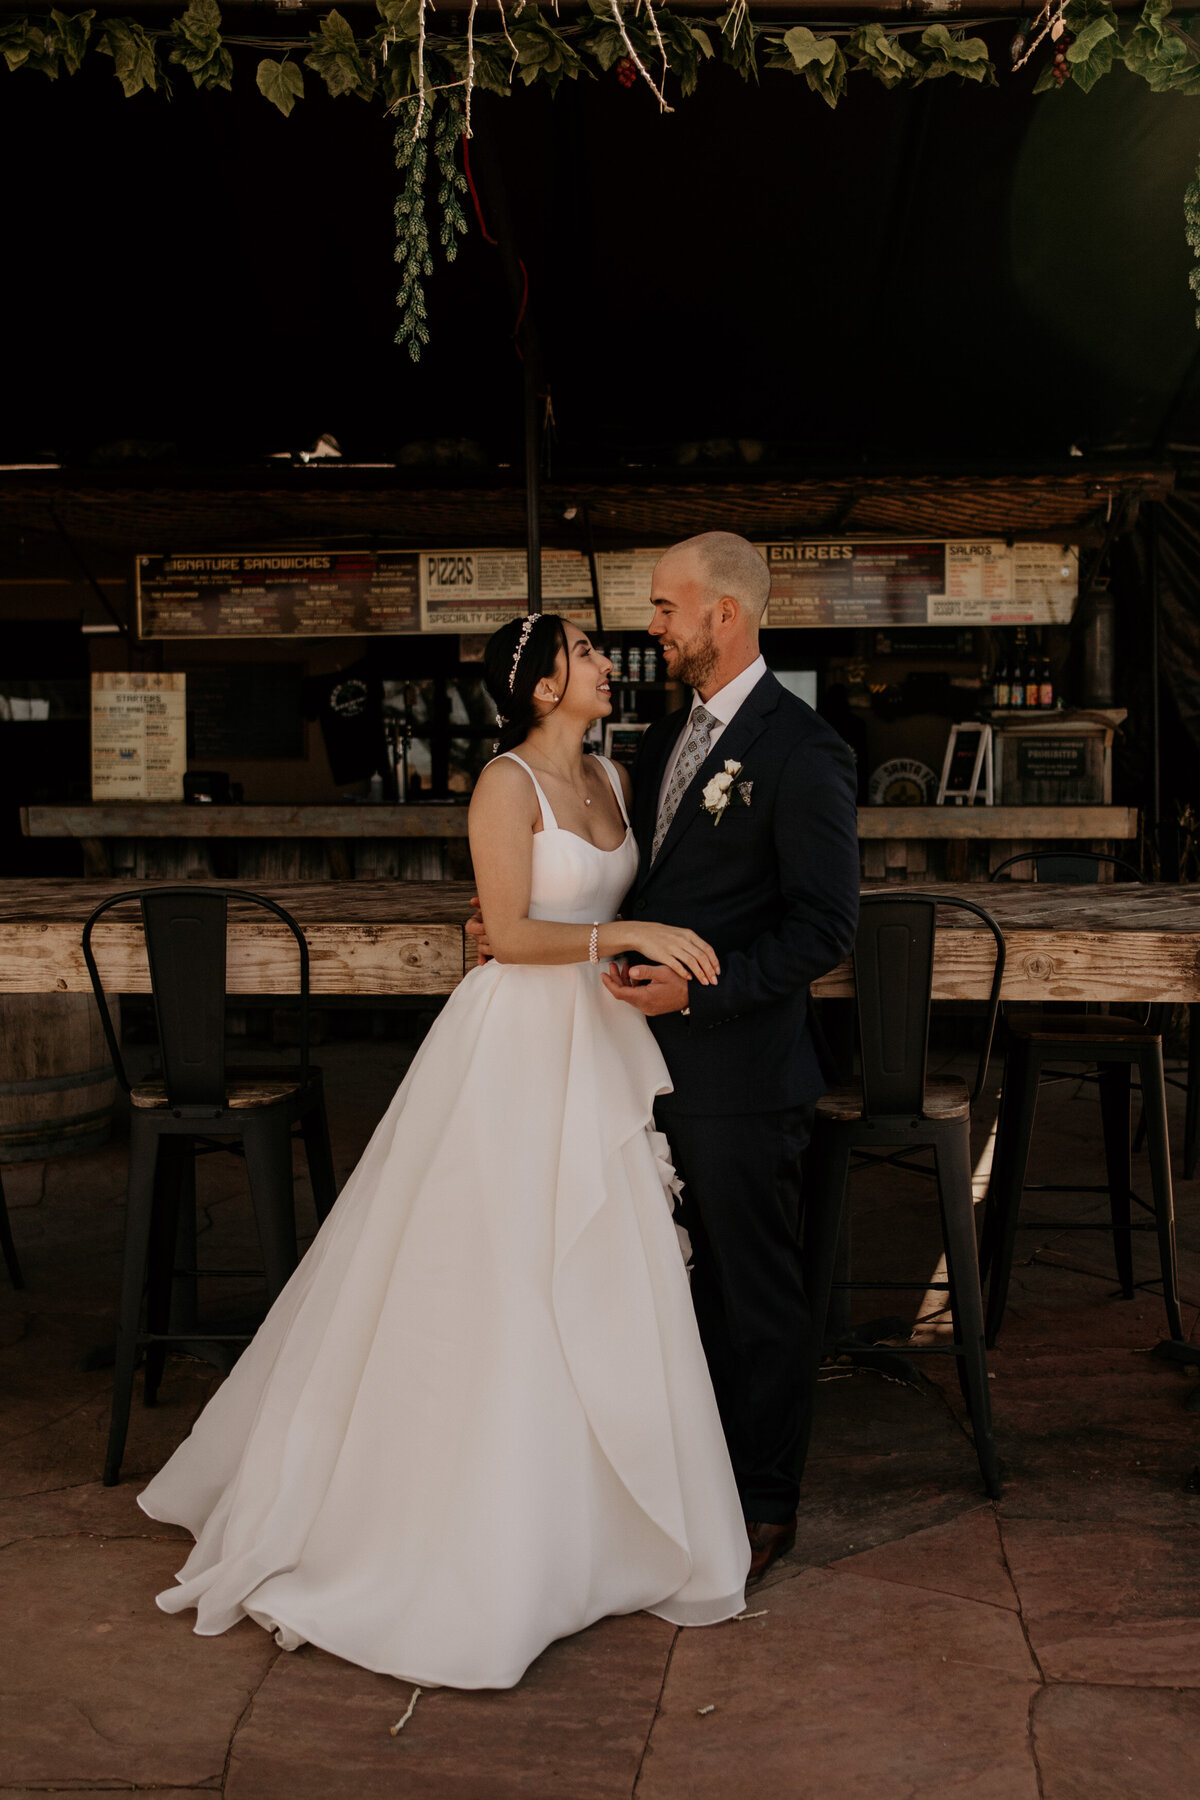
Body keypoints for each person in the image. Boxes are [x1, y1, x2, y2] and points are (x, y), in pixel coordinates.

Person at [138, 610, 751, 1692]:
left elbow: (616, 896)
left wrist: (638, 935)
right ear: (545, 684)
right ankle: (471, 1541)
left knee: (609, 1273)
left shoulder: (613, 779)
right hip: (515, 1044)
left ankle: (598, 1529)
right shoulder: (503, 785)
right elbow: (512, 935)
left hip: (602, 1042)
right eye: (590, 655)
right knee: (508, 1277)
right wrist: (621, 935)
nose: (611, 664)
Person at [474, 533, 860, 1581]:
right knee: (663, 1289)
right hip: (632, 1065)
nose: (652, 629)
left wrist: (708, 985)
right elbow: (629, 889)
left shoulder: (804, 750)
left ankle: (766, 1497)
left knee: (753, 1288)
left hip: (741, 1072)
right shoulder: (647, 742)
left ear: (721, 616)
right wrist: (531, 920)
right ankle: (676, 1481)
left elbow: (826, 927)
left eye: (662, 608)